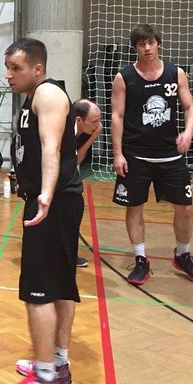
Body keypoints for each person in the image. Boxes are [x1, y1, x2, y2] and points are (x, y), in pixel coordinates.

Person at [0, 39, 84, 384]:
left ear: (37, 68)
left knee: (39, 291)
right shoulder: (38, 95)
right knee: (60, 285)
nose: (9, 75)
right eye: (7, 68)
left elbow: (51, 147)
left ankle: (46, 380)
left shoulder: (47, 94)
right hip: (58, 200)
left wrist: (45, 195)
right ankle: (57, 363)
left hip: (52, 202)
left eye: (15, 68)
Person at [111, 24, 193, 286]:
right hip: (136, 154)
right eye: (141, 44)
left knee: (185, 208)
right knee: (134, 208)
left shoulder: (176, 73)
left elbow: (190, 107)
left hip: (170, 155)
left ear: (158, 44)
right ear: (135, 47)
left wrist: (188, 132)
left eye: (151, 42)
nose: (147, 48)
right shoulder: (124, 77)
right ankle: (141, 259)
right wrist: (118, 154)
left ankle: (183, 255)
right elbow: (117, 116)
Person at [73, 99, 103, 267]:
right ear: (79, 120)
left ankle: (70, 253)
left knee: (76, 208)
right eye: (94, 121)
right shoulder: (64, 131)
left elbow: (78, 159)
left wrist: (92, 136)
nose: (98, 125)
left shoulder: (86, 131)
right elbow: (74, 160)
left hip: (68, 173)